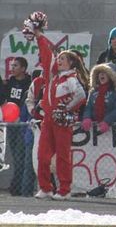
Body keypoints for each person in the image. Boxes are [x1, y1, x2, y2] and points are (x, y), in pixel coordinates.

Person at [32, 25, 88, 199]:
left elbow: (81, 95)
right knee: (42, 155)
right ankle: (46, 188)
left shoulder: (71, 78)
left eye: (63, 58)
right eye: (59, 58)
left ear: (71, 63)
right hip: (48, 120)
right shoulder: (52, 77)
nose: (59, 60)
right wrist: (39, 36)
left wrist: (66, 108)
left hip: (62, 121)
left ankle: (64, 189)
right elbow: (48, 55)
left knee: (63, 156)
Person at [2, 57, 32, 196]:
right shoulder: (9, 82)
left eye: (16, 65)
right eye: (12, 65)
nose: (12, 68)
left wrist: (20, 117)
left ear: (23, 68)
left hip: (23, 124)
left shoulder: (28, 82)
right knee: (15, 156)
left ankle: (19, 187)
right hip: (11, 123)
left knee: (22, 156)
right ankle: (16, 186)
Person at [81, 64, 116, 133]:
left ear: (111, 76)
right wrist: (87, 118)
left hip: (114, 128)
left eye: (105, 72)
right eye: (99, 73)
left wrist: (107, 121)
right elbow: (88, 107)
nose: (101, 74)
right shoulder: (93, 92)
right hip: (95, 128)